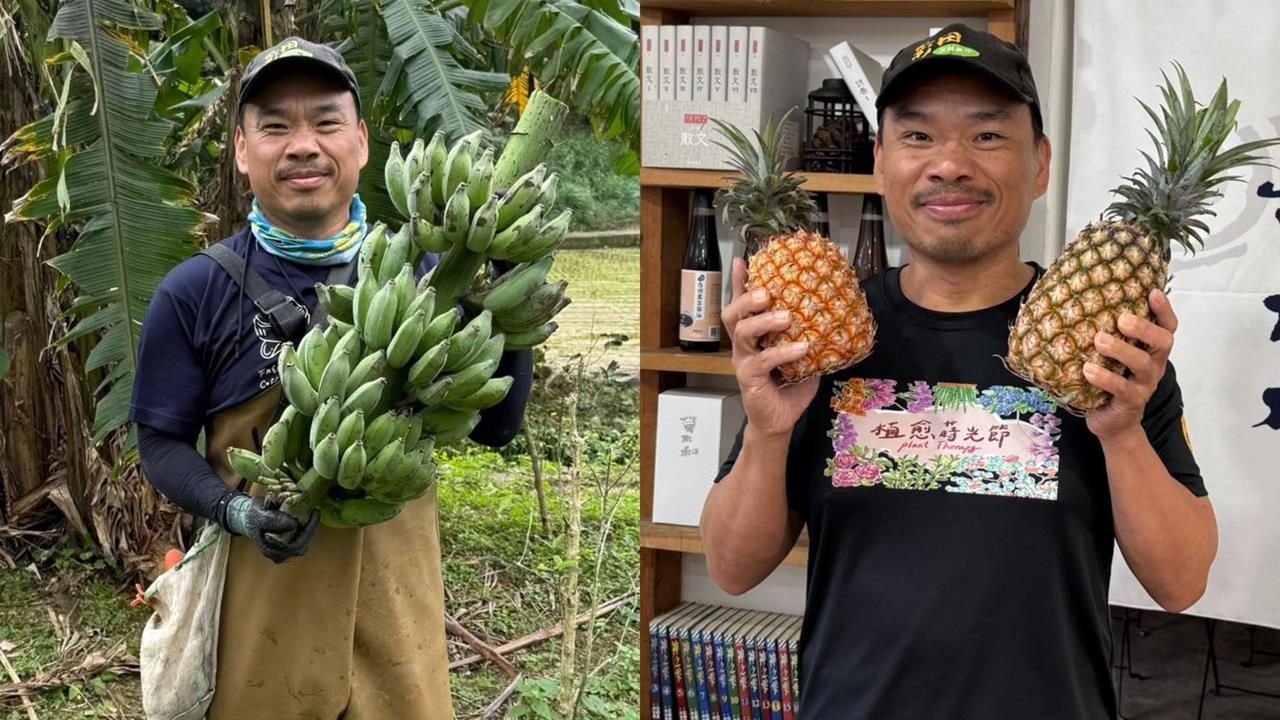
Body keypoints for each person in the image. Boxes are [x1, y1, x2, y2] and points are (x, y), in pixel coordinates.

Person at [700, 24, 1218, 719]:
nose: (949, 164)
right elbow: (732, 570)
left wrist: (1122, 434)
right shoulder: (821, 342)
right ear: (881, 164)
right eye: (917, 137)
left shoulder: (1108, 348)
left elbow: (1181, 583)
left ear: (1039, 164)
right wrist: (766, 433)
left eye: (986, 135)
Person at [129, 37, 532, 719]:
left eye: (325, 121)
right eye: (276, 126)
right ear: (240, 149)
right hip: (260, 613)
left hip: (397, 611)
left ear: (363, 141)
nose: (303, 145)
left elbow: (499, 427)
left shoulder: (431, 277)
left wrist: (503, 298)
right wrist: (234, 509)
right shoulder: (194, 291)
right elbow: (160, 445)